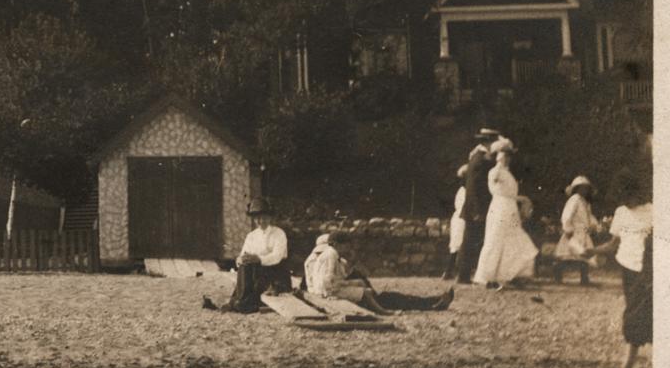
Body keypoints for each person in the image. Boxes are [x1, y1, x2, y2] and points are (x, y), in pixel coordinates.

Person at [594, 170, 652, 368]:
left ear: (636, 193)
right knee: (637, 316)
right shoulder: (621, 212)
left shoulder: (652, 211)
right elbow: (613, 244)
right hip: (627, 268)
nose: (625, 201)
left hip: (647, 271)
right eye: (621, 198)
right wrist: (593, 251)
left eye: (627, 196)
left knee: (636, 317)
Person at [303, 232, 453, 313]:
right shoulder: (327, 256)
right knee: (392, 298)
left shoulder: (321, 257)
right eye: (344, 246)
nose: (346, 250)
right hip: (333, 295)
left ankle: (433, 301)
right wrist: (351, 282)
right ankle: (431, 303)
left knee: (389, 296)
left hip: (333, 291)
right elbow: (327, 283)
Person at [203, 198, 290, 313]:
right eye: (257, 218)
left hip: (274, 272)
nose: (260, 221)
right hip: (255, 272)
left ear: (270, 218)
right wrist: (240, 260)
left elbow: (276, 257)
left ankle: (238, 302)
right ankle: (240, 301)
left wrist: (258, 259)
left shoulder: (278, 234)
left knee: (251, 267)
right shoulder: (251, 236)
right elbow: (242, 255)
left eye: (264, 217)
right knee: (244, 264)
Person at [473, 137, 539, 289]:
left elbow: (509, 192)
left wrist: (519, 199)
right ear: (499, 156)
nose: (508, 158)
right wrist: (519, 198)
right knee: (496, 239)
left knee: (515, 239)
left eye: (509, 155)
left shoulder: (507, 173)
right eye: (505, 155)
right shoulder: (495, 171)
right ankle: (488, 276)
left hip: (509, 209)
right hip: (500, 209)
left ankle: (512, 274)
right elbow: (496, 189)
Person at [454, 134, 494, 282]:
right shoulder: (480, 160)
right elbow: (474, 188)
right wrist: (477, 210)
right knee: (470, 240)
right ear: (488, 142)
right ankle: (463, 275)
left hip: (474, 208)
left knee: (471, 240)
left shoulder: (476, 157)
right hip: (476, 208)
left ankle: (465, 274)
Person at [552, 176, 599, 285]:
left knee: (585, 255)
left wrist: (593, 225)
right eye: (582, 188)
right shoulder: (574, 199)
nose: (585, 190)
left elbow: (589, 216)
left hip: (583, 231)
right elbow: (567, 214)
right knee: (568, 255)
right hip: (574, 231)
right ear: (576, 189)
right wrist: (567, 228)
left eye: (587, 188)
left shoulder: (585, 202)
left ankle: (584, 278)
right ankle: (558, 274)